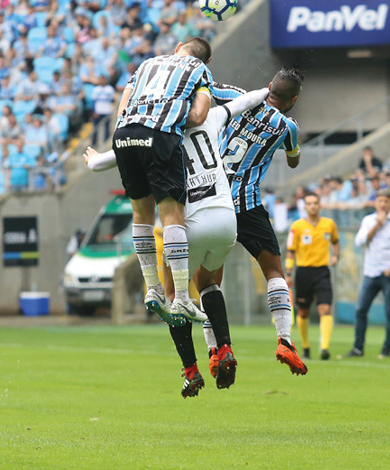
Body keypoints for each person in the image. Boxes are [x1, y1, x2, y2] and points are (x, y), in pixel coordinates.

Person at [84, 88, 270, 397]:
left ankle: (190, 370)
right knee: (209, 282)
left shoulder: (160, 132)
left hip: (189, 224)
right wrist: (269, 90)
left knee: (174, 296)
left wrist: (93, 160)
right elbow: (245, 101)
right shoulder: (212, 117)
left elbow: (113, 159)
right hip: (225, 218)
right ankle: (223, 348)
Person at [111, 37, 214, 325]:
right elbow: (197, 115)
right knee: (172, 216)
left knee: (140, 214)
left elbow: (121, 109)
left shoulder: (146, 64)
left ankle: (153, 289)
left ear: (179, 45)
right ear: (204, 61)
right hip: (160, 135)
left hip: (124, 135)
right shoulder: (199, 70)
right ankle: (181, 296)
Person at [217, 67, 308, 375]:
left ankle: (217, 349)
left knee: (208, 280)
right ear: (293, 99)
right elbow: (294, 160)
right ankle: (285, 340)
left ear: (269, 86)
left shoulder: (238, 98)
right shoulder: (287, 126)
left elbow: (208, 90)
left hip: (213, 201)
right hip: (248, 206)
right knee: (274, 271)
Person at [344, 189, 390, 359]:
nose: (382, 204)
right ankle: (358, 348)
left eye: (386, 201)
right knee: (360, 309)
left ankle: (386, 350)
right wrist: (377, 225)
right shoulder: (368, 221)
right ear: (375, 202)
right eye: (379, 201)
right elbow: (360, 241)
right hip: (370, 272)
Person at [286, 192, 339, 360]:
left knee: (325, 309)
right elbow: (290, 251)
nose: (313, 206)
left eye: (316, 203)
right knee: (303, 312)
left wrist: (335, 256)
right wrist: (288, 273)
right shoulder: (297, 226)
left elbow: (336, 242)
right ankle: (306, 347)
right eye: (309, 203)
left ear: (320, 205)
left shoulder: (329, 224)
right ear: (305, 207)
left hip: (322, 271)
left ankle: (324, 348)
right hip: (303, 272)